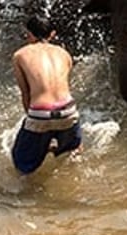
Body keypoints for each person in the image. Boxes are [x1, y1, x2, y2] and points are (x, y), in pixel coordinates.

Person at [11, 17, 82, 175]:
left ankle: (25, 195)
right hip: (69, 111)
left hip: (40, 113)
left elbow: (26, 93)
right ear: (52, 34)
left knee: (21, 165)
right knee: (72, 151)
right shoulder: (64, 54)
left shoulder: (20, 55)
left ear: (29, 34)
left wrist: (34, 123)